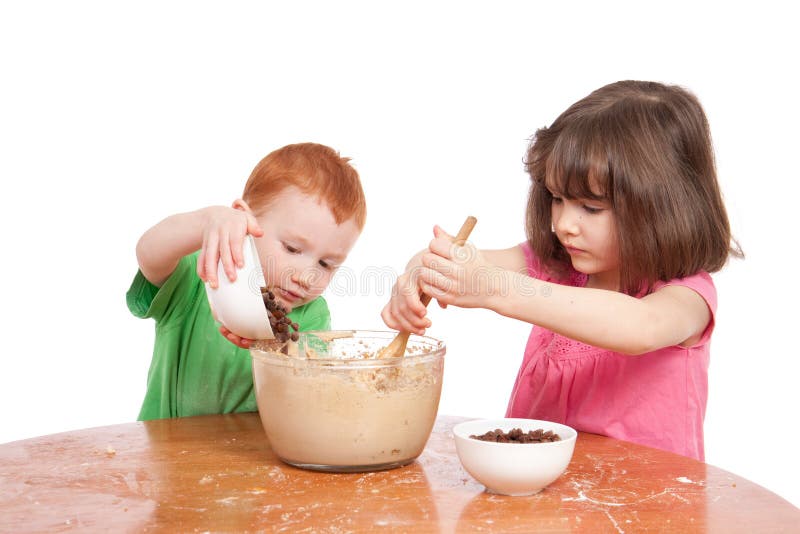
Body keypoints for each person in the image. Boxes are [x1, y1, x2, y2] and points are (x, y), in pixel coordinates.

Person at [382, 81, 742, 460]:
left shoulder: (687, 296)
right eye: (557, 199)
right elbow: (443, 259)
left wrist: (496, 289)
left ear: (663, 207)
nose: (564, 224)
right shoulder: (553, 263)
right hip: (542, 498)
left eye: (591, 207)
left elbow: (640, 327)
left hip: (646, 508)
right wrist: (415, 276)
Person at [128, 142, 366, 420]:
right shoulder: (199, 275)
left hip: (259, 461)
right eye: (291, 248)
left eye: (326, 264)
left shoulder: (311, 316)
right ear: (245, 221)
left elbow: (308, 396)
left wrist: (278, 347)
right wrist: (207, 221)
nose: (305, 276)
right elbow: (149, 252)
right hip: (164, 455)